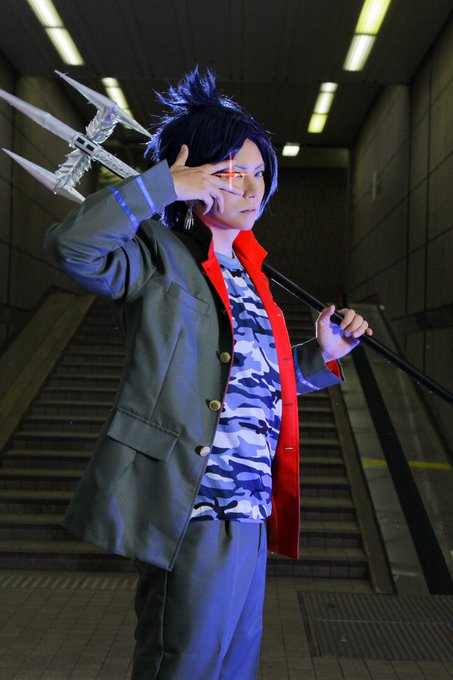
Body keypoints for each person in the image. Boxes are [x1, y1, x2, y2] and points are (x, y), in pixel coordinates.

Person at [45, 68, 372, 680]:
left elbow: (248, 380)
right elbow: (74, 248)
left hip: (250, 505)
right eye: (231, 172)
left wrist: (319, 353)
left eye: (259, 172)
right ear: (192, 176)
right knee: (184, 664)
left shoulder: (252, 273)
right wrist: (160, 187)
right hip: (192, 503)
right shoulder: (155, 255)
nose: (252, 187)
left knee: (234, 667)